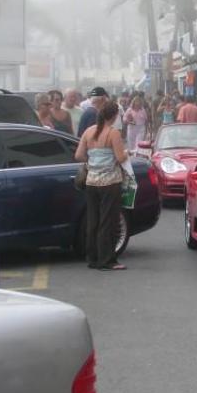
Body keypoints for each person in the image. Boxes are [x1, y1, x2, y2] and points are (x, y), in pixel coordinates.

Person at [74, 101, 128, 271]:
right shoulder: (113, 133)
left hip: (91, 182)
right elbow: (120, 158)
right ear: (113, 116)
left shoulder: (88, 132)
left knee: (93, 220)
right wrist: (127, 153)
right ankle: (107, 259)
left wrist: (94, 162)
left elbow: (79, 155)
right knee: (108, 221)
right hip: (110, 182)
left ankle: (92, 258)